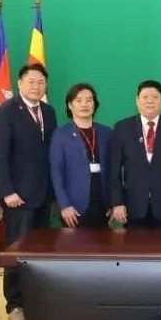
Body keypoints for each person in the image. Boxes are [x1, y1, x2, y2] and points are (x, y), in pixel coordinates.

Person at [0, 63, 57, 320]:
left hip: (43, 195)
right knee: (16, 250)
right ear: (19, 84)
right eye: (31, 81)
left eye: (41, 82)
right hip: (17, 197)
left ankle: (35, 301)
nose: (36, 86)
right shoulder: (6, 112)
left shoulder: (49, 112)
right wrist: (7, 191)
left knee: (39, 251)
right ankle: (14, 304)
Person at [109, 80, 161, 228]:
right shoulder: (123, 128)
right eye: (145, 97)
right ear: (137, 101)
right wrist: (117, 202)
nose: (150, 101)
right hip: (133, 207)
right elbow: (114, 169)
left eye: (155, 97)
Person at [50, 84, 112, 228]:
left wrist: (113, 202)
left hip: (103, 204)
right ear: (70, 105)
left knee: (103, 241)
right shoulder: (61, 134)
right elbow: (56, 172)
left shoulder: (106, 132)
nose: (84, 104)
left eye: (89, 100)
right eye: (79, 100)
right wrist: (64, 205)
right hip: (74, 206)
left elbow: (113, 170)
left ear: (94, 104)